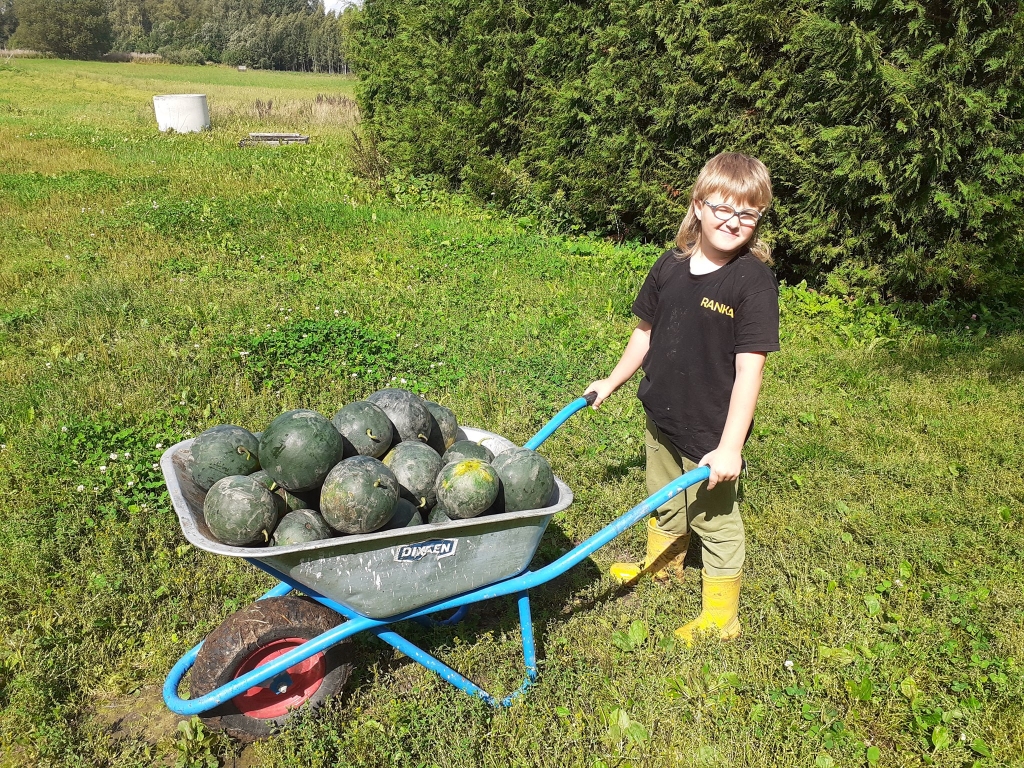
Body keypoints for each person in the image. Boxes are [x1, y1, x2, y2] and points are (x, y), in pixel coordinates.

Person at [586, 152, 779, 644]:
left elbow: (749, 372)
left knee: (716, 523)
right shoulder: (669, 266)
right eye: (722, 207)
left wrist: (731, 446)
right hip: (661, 415)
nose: (733, 222)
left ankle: (721, 616)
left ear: (759, 219)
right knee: (663, 497)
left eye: (748, 213)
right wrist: (612, 381)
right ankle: (663, 564)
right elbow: (644, 334)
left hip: (710, 433)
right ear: (697, 205)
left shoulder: (752, 283)